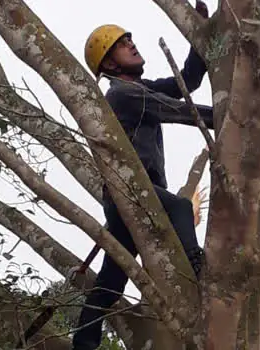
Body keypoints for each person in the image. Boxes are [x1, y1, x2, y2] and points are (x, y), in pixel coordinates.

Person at [72, 2, 213, 349]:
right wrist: (229, 116)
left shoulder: (140, 88)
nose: (132, 45)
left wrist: (200, 36)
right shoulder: (124, 94)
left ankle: (83, 344)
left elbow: (187, 82)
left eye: (130, 39)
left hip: (132, 197)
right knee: (181, 207)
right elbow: (182, 111)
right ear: (108, 63)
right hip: (133, 192)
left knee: (110, 282)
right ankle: (197, 270)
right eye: (122, 44)